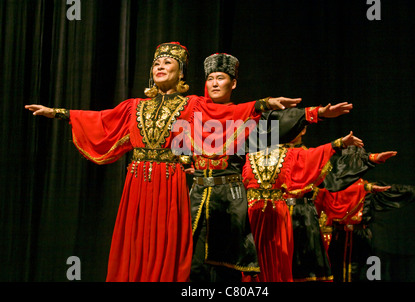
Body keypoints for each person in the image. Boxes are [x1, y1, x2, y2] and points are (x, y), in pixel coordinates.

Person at [24, 42, 301, 282]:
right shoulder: (134, 106)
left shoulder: (192, 105)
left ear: (180, 73)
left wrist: (262, 104)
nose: (160, 66)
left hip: (169, 181)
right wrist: (60, 113)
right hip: (137, 182)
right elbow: (101, 120)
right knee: (134, 242)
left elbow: (225, 114)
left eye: (168, 62)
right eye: (156, 62)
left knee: (167, 245)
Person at [189, 53, 355, 282]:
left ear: (233, 83)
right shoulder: (194, 112)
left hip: (229, 200)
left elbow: (275, 125)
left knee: (227, 268)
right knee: (194, 267)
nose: (214, 83)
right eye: (210, 78)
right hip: (197, 199)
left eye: (220, 77)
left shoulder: (247, 119)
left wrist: (317, 113)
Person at [242, 124, 365, 282]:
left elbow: (331, 176)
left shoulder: (297, 155)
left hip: (297, 215)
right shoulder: (249, 156)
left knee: (291, 263)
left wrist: (341, 145)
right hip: (257, 215)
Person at [288, 127, 397, 282]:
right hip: (277, 214)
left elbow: (335, 181)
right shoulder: (270, 154)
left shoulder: (310, 155)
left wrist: (370, 161)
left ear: (304, 130)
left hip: (305, 218)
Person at [315, 178, 415, 282]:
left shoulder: (367, 188)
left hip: (359, 238)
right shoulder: (330, 187)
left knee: (357, 272)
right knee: (336, 273)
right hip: (338, 237)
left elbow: (394, 190)